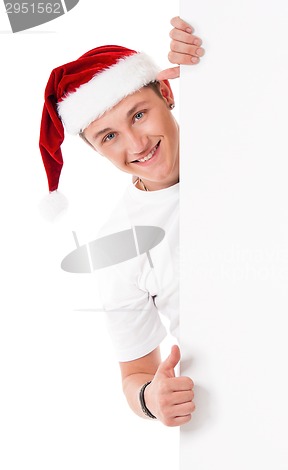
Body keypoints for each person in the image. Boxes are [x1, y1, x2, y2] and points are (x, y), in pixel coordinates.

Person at [39, 17, 204, 427]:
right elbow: (135, 375)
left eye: (138, 114)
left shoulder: (245, 138)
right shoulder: (118, 242)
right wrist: (152, 398)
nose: (137, 144)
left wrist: (212, 43)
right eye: (108, 137)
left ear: (166, 93)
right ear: (95, 150)